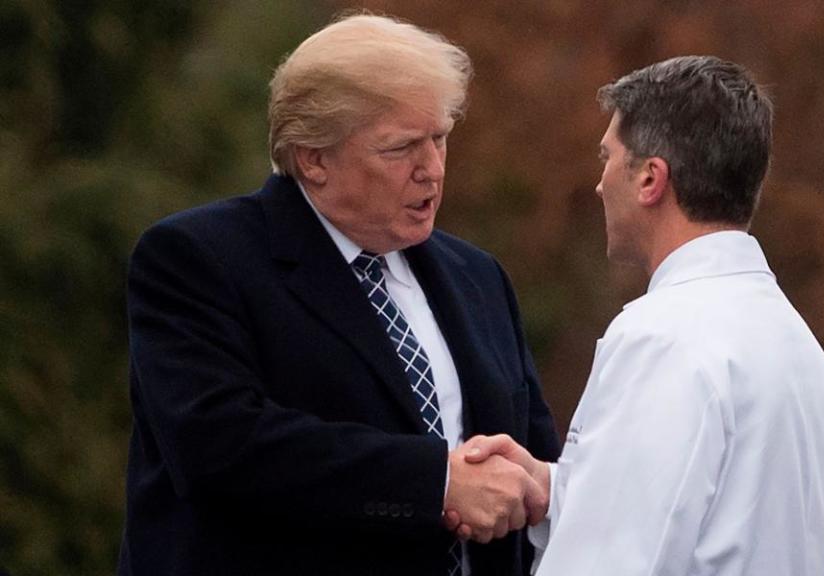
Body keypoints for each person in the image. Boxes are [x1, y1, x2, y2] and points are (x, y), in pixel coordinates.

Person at [118, 14, 560, 576]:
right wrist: (440, 483)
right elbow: (220, 447)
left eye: (441, 138)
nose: (432, 170)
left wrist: (530, 483)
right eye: (400, 148)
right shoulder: (198, 259)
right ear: (314, 159)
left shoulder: (477, 275)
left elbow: (532, 449)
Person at [452, 56, 824, 575]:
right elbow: (712, 524)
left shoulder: (665, 337)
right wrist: (561, 491)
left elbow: (610, 562)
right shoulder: (800, 349)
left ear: (649, 179)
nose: (599, 184)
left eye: (607, 158)